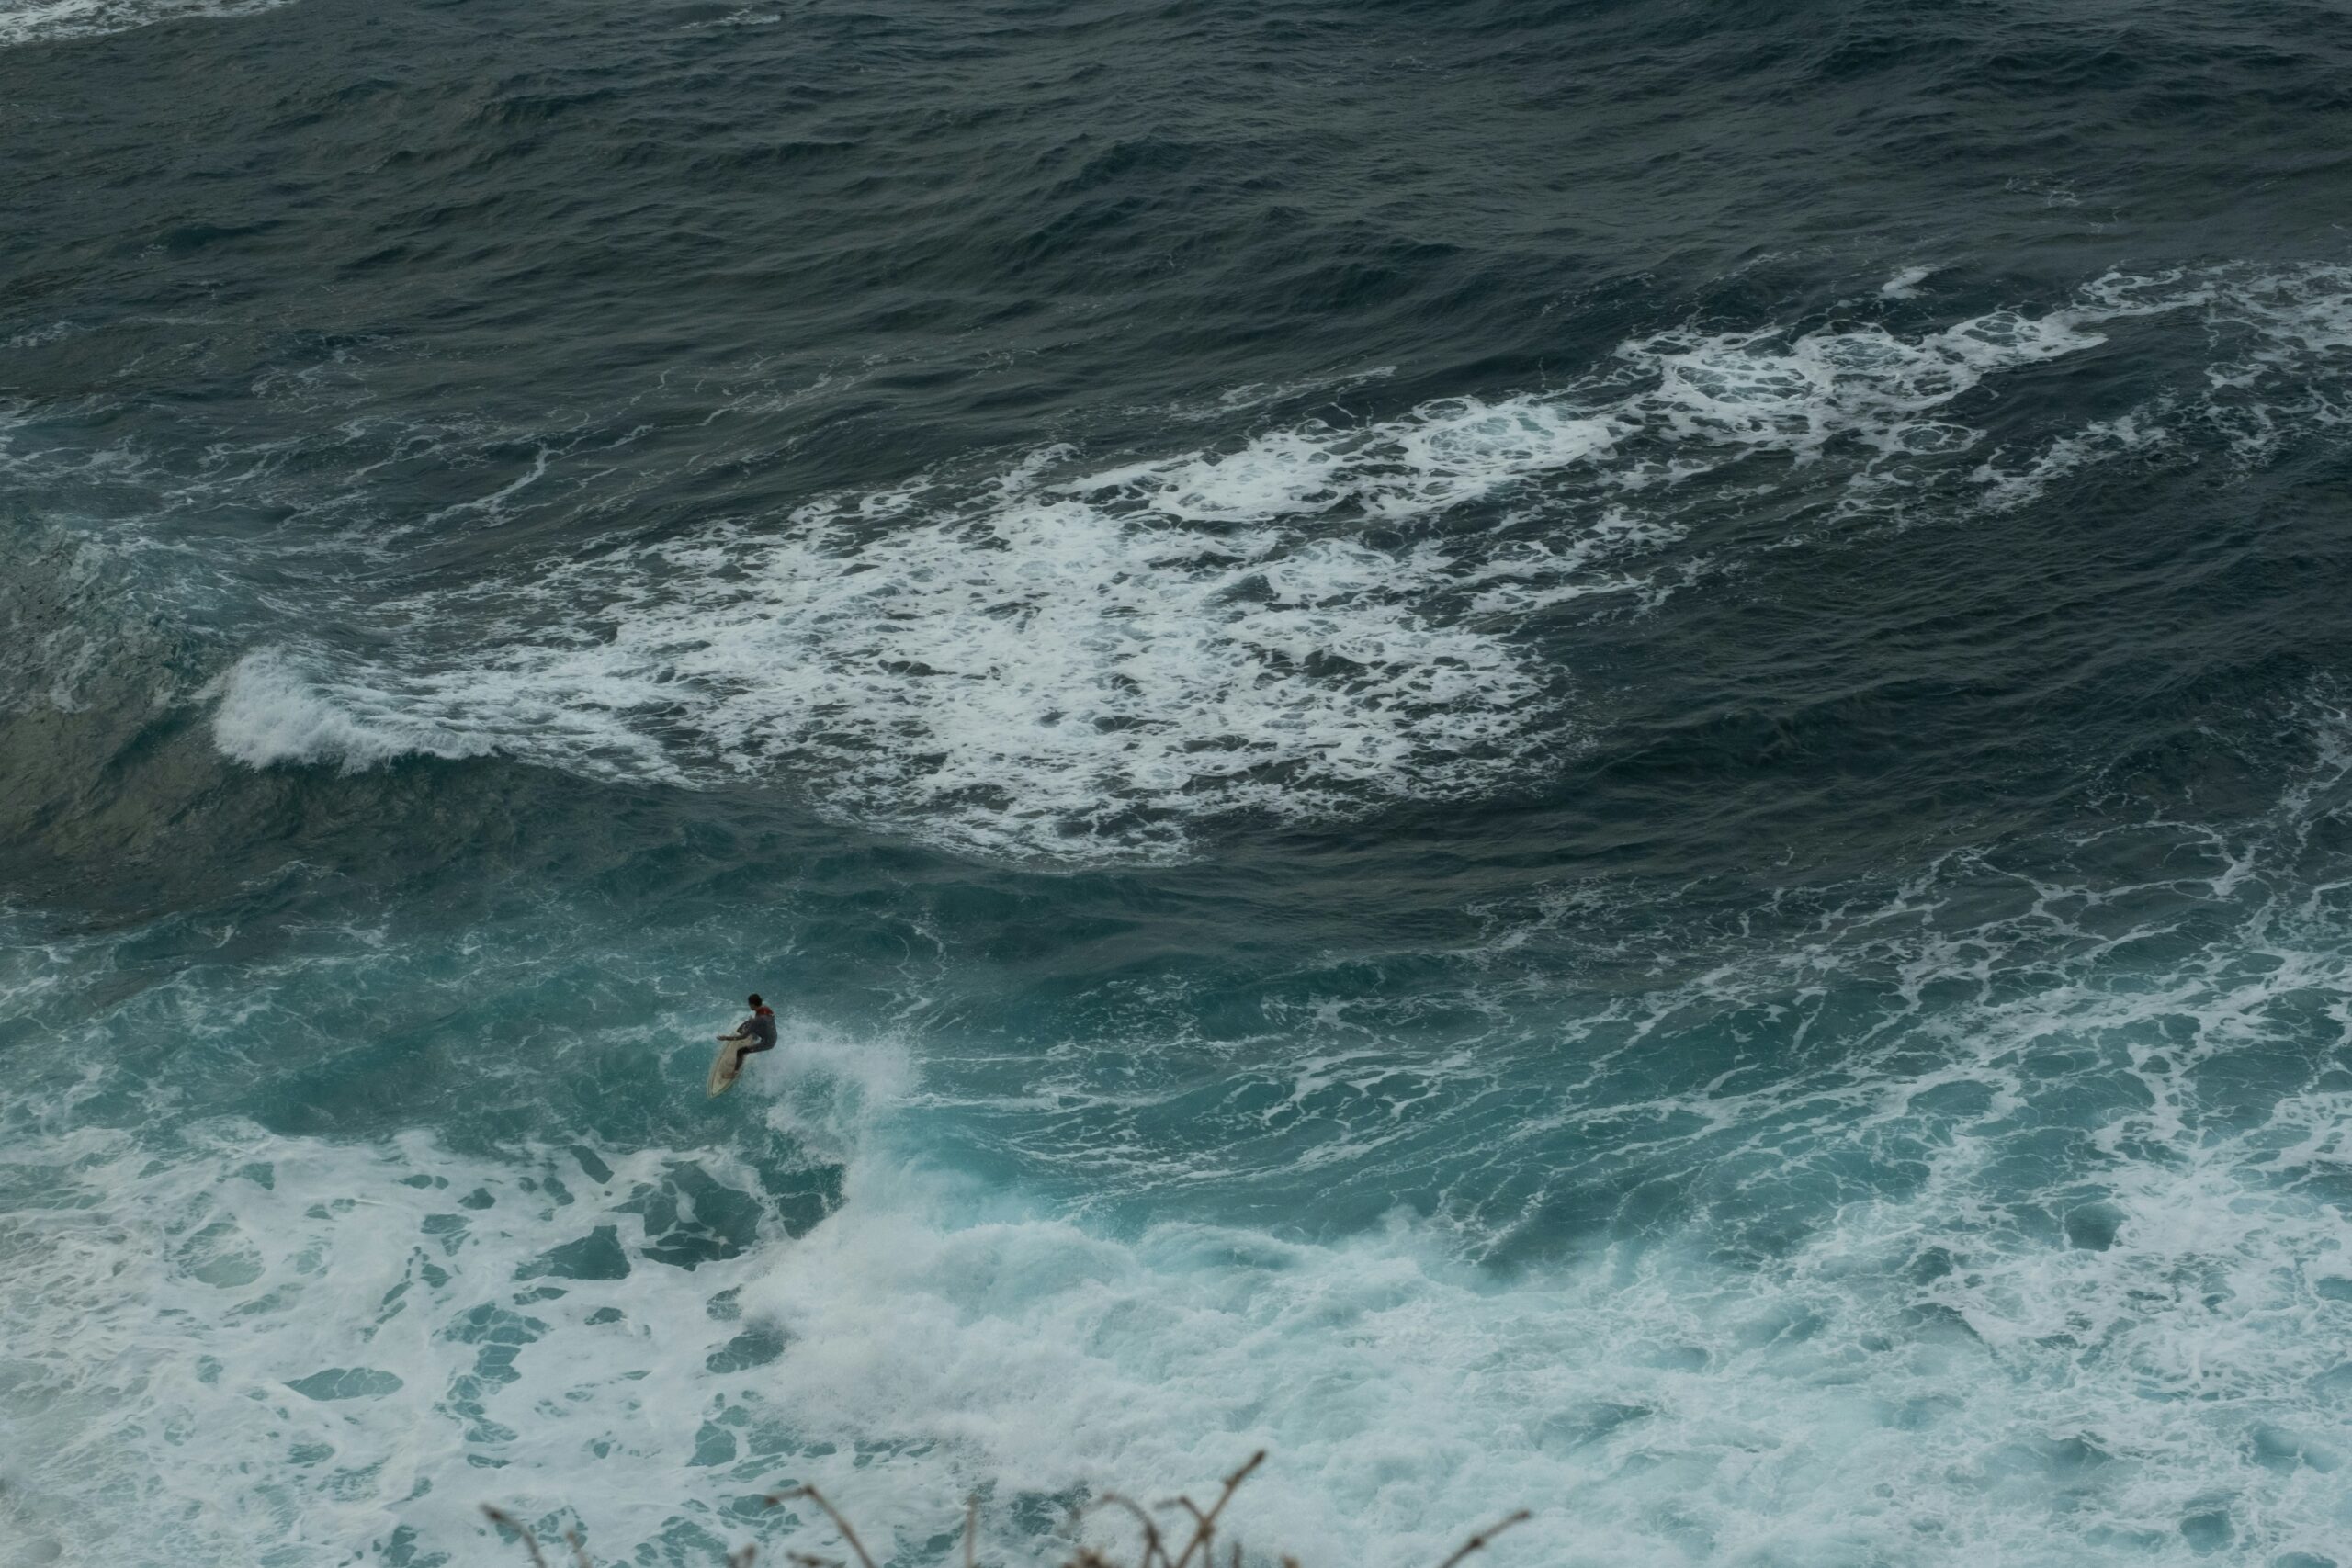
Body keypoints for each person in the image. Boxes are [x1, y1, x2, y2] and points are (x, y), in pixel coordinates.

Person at [718, 993, 778, 1077]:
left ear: (753, 1004)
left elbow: (743, 1036)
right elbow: (768, 1021)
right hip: (773, 1035)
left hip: (768, 1043)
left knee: (741, 1051)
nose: (749, 1006)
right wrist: (754, 1023)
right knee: (748, 1023)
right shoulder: (767, 1009)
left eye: (749, 1004)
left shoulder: (757, 1020)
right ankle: (753, 1038)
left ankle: (734, 1073)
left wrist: (726, 1038)